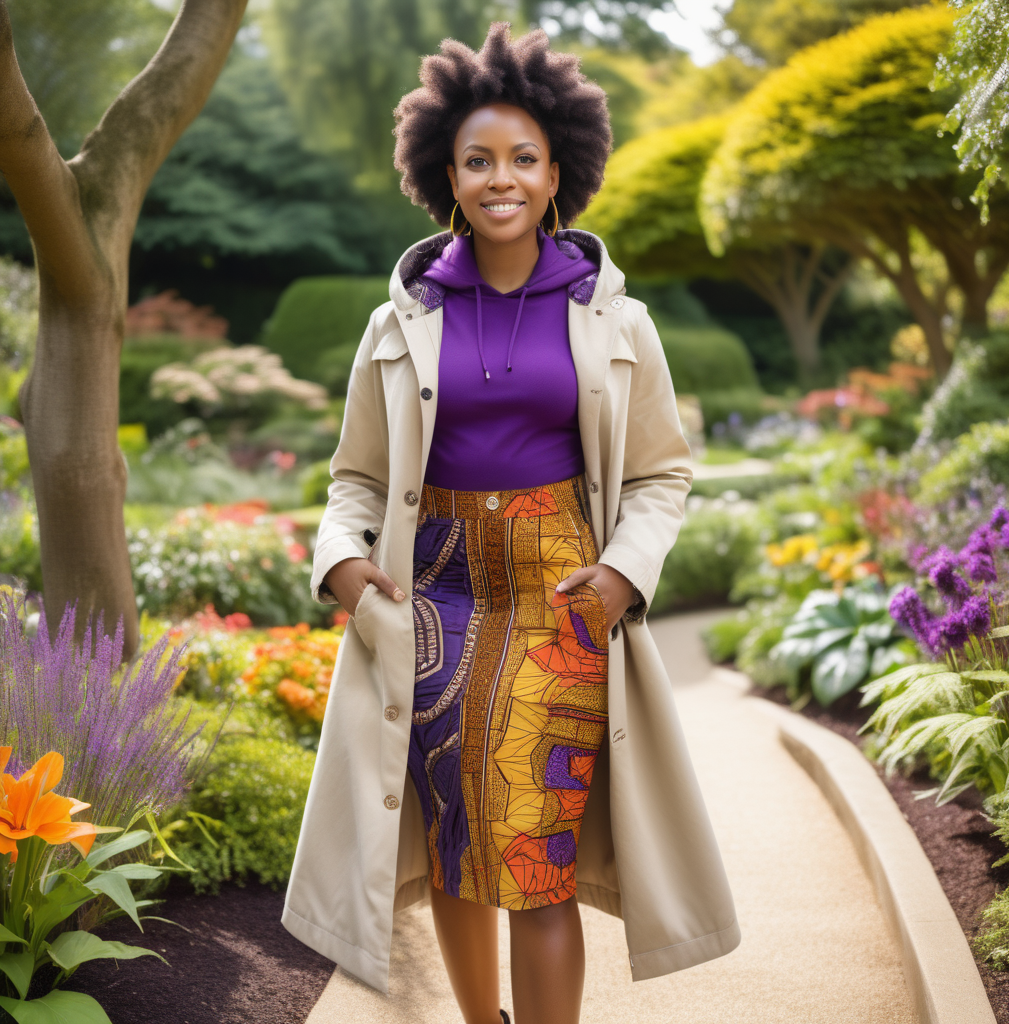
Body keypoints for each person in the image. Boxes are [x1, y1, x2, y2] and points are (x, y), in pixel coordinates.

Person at [282, 23, 739, 1024]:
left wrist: (619, 575)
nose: (500, 178)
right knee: (454, 842)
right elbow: (354, 476)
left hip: (558, 595)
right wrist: (345, 570)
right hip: (429, 597)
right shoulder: (398, 320)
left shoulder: (613, 317)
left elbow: (662, 471)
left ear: (557, 170)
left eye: (522, 159)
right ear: (442, 170)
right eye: (478, 159)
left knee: (534, 859)